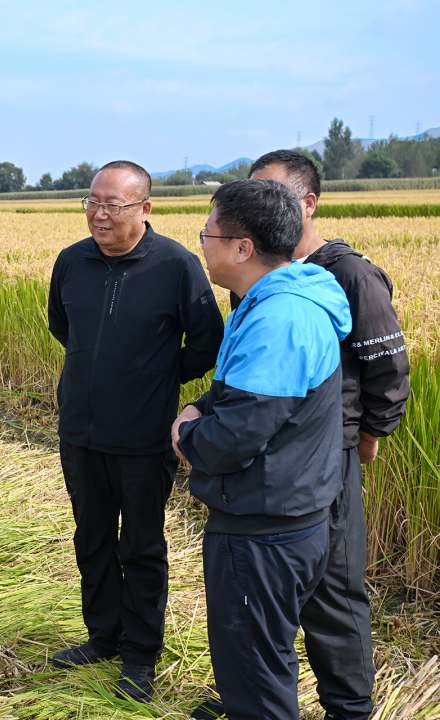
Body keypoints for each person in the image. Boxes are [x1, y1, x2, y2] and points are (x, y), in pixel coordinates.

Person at [173, 179, 352, 720]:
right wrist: (202, 406)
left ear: (241, 247)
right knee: (261, 659)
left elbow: (234, 436)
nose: (201, 244)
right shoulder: (287, 297)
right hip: (291, 514)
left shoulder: (279, 319)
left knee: (257, 674)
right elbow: (242, 391)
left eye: (208, 233)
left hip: (264, 528)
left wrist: (186, 435)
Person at [47, 161, 223, 700]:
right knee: (91, 538)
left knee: (141, 547)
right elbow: (62, 325)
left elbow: (208, 341)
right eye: (92, 202)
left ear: (145, 209)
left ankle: (141, 654)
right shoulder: (72, 261)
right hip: (79, 431)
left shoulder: (176, 265)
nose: (99, 214)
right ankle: (103, 635)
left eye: (113, 204)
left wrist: (157, 374)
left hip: (145, 439)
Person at [247, 150, 409, 720]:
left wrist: (366, 439)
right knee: (266, 584)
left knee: (333, 587)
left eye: (275, 195)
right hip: (270, 453)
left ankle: (349, 707)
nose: (261, 208)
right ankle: (261, 696)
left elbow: (388, 370)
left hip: (329, 456)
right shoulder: (259, 270)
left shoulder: (349, 273)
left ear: (309, 203)